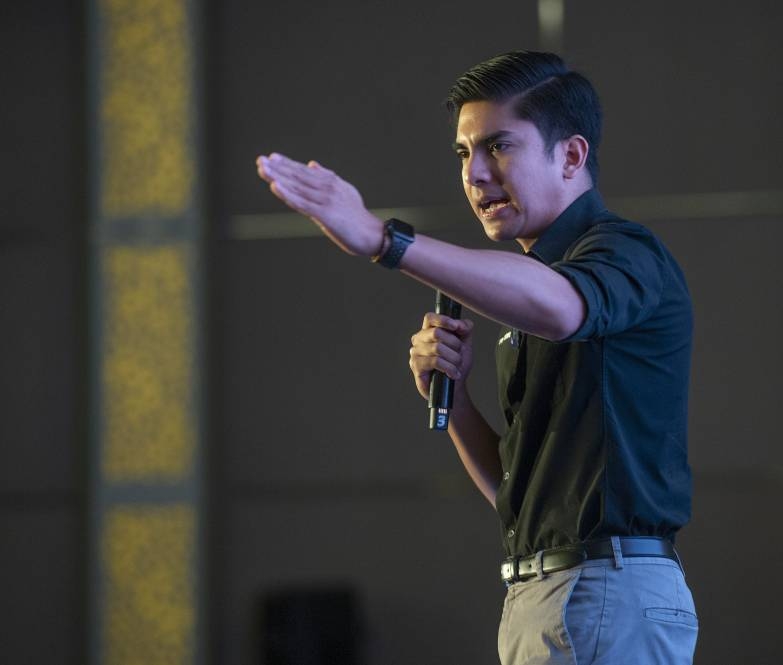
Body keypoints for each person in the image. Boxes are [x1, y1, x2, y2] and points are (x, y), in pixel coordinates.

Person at [256, 50, 697, 665]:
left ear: (571, 156)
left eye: (499, 146)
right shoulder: (530, 289)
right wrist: (456, 398)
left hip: (604, 587)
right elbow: (518, 496)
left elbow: (563, 306)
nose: (476, 174)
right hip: (545, 591)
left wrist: (384, 240)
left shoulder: (622, 251)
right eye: (464, 153)